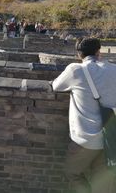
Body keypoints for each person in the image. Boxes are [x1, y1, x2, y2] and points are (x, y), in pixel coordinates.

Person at [52, 37, 116, 193]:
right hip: (110, 140)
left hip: (84, 141)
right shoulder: (114, 70)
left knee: (72, 173)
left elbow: (56, 86)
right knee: (102, 184)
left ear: (79, 54)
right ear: (98, 51)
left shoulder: (75, 69)